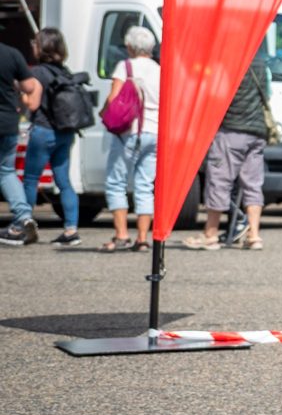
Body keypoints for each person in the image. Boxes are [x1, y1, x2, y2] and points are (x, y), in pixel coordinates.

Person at [189, 54, 269, 251]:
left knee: (219, 181)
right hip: (257, 131)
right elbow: (267, 94)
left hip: (231, 130)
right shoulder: (260, 62)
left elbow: (216, 95)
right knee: (252, 184)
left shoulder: (228, 61)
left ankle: (210, 234)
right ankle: (254, 235)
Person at [22, 29, 89, 246]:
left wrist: (21, 94)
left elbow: (33, 103)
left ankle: (24, 224)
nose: (33, 45)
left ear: (42, 47)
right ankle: (71, 230)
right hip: (65, 132)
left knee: (31, 180)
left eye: (36, 42)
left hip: (43, 131)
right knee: (64, 182)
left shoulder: (39, 73)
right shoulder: (64, 71)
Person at [100, 23, 161, 252]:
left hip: (130, 132)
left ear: (129, 47)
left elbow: (114, 98)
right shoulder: (159, 69)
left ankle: (121, 234)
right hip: (154, 133)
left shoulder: (125, 67)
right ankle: (143, 238)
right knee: (145, 185)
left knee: (116, 182)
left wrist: (103, 112)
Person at [0, 34, 35, 245]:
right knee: (6, 171)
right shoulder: (11, 54)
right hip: (7, 121)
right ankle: (23, 217)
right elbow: (29, 86)